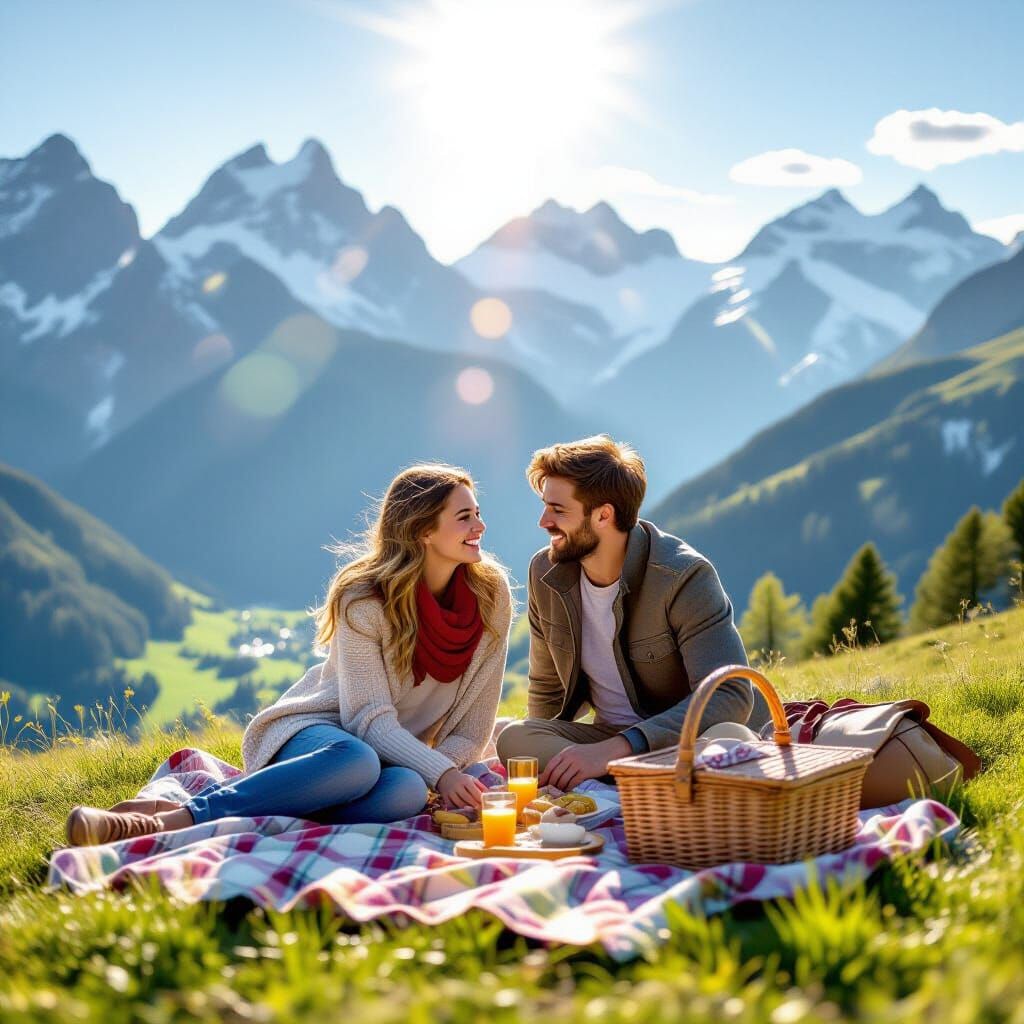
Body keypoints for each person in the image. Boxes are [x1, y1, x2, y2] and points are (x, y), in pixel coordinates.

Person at [66, 464, 514, 846]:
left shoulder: (490, 595)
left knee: (406, 794)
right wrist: (442, 772)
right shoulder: (364, 599)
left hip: (394, 756)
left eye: (478, 514)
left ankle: (262, 808)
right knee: (354, 760)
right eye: (464, 517)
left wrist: (437, 771)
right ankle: (170, 821)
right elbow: (368, 722)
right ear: (422, 531)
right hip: (319, 732)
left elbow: (472, 730)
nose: (480, 527)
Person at [496, 436, 754, 792]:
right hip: (601, 739)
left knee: (729, 739)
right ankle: (652, 786)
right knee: (515, 739)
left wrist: (614, 750)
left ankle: (628, 779)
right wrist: (548, 770)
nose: (543, 521)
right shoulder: (546, 573)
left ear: (603, 515)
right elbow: (547, 688)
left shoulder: (683, 577)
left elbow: (730, 695)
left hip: (677, 739)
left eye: (557, 510)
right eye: (545, 506)